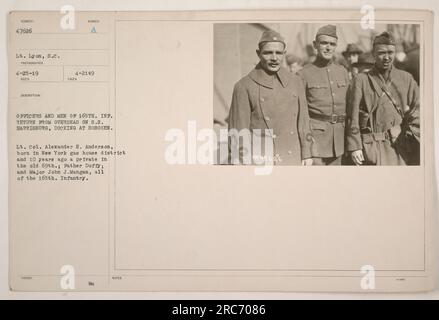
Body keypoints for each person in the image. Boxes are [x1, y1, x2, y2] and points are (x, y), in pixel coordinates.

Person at [228, 30, 313, 166]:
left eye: (278, 53)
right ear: (258, 54)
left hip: (293, 158)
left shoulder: (296, 82)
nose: (274, 58)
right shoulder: (244, 86)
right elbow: (239, 132)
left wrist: (307, 153)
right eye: (268, 53)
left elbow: (304, 121)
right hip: (261, 161)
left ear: (284, 54)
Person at [346, 31, 420, 166]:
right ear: (373, 54)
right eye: (381, 53)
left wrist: (411, 131)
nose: (387, 57)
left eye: (390, 53)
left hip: (400, 146)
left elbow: (420, 107)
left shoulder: (406, 78)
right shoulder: (361, 80)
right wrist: (355, 146)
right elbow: (353, 115)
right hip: (371, 148)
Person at [297, 25, 349, 165]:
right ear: (315, 45)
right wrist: (305, 148)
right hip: (315, 142)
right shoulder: (303, 74)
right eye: (324, 43)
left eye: (332, 44)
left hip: (340, 141)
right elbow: (300, 114)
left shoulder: (342, 72)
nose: (328, 47)